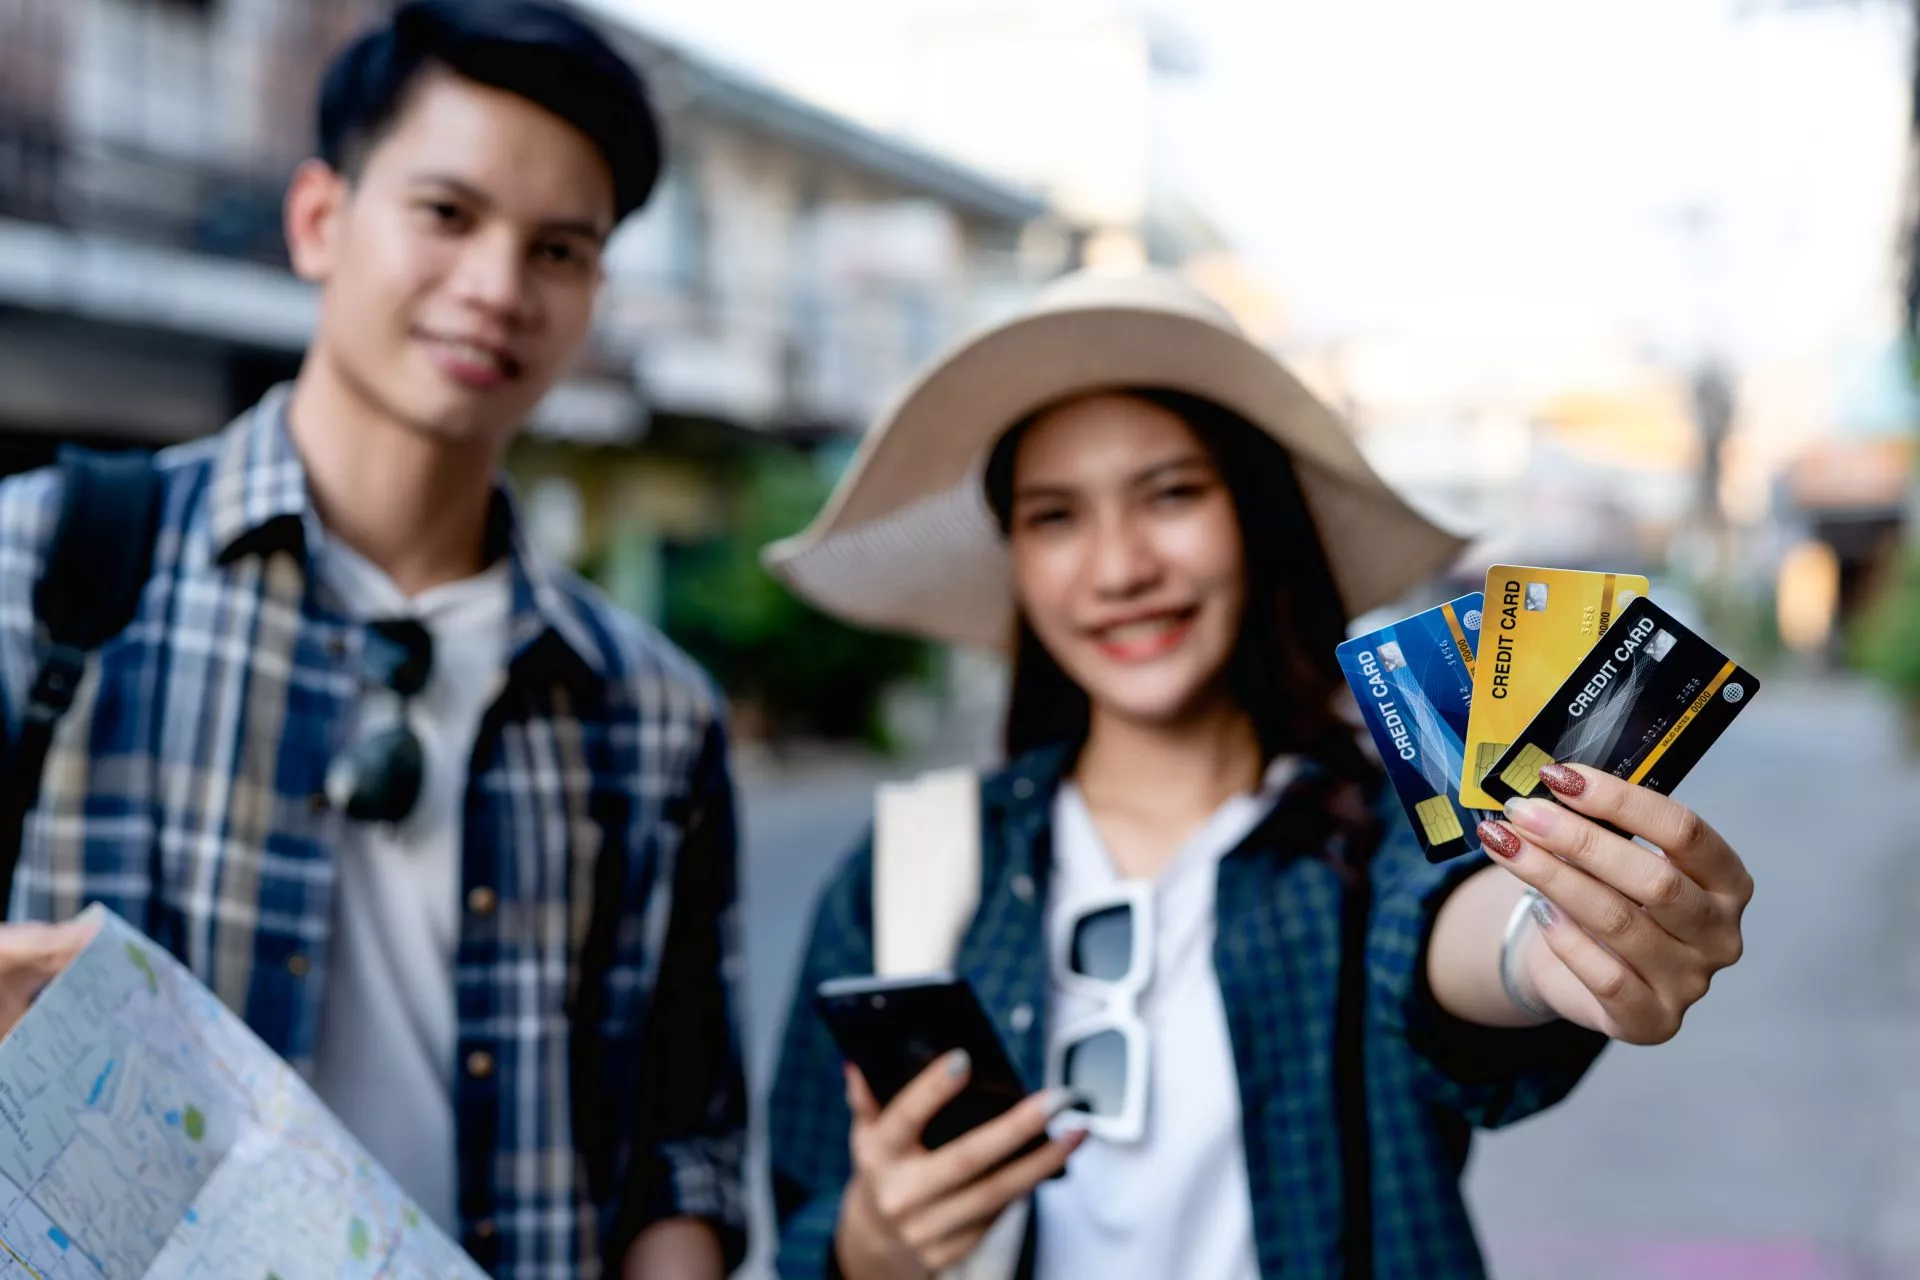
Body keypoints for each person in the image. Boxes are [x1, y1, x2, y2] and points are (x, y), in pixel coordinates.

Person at [761, 268, 1754, 1279]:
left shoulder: (1378, 827)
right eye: (1054, 516)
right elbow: (806, 1211)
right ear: (1014, 555)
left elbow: (1452, 927)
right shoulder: (908, 870)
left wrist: (1551, 937)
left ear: (1258, 517)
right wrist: (869, 1245)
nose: (1119, 568)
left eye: (1173, 493)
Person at [0, 3, 745, 1276]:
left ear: (592, 295)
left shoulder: (650, 710)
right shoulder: (40, 569)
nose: (497, 286)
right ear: (318, 220)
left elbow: (683, 1144)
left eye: (558, 249)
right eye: (448, 213)